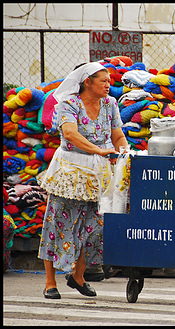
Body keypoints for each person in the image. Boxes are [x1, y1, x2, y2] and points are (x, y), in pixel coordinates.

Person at [38, 62, 128, 299]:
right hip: (70, 171)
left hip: (97, 173)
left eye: (109, 81)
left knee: (96, 226)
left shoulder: (110, 104)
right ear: (87, 82)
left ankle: (78, 276)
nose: (109, 85)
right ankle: (49, 282)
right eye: (103, 81)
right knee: (57, 222)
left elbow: (117, 134)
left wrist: (125, 153)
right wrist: (99, 151)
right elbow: (70, 134)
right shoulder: (70, 104)